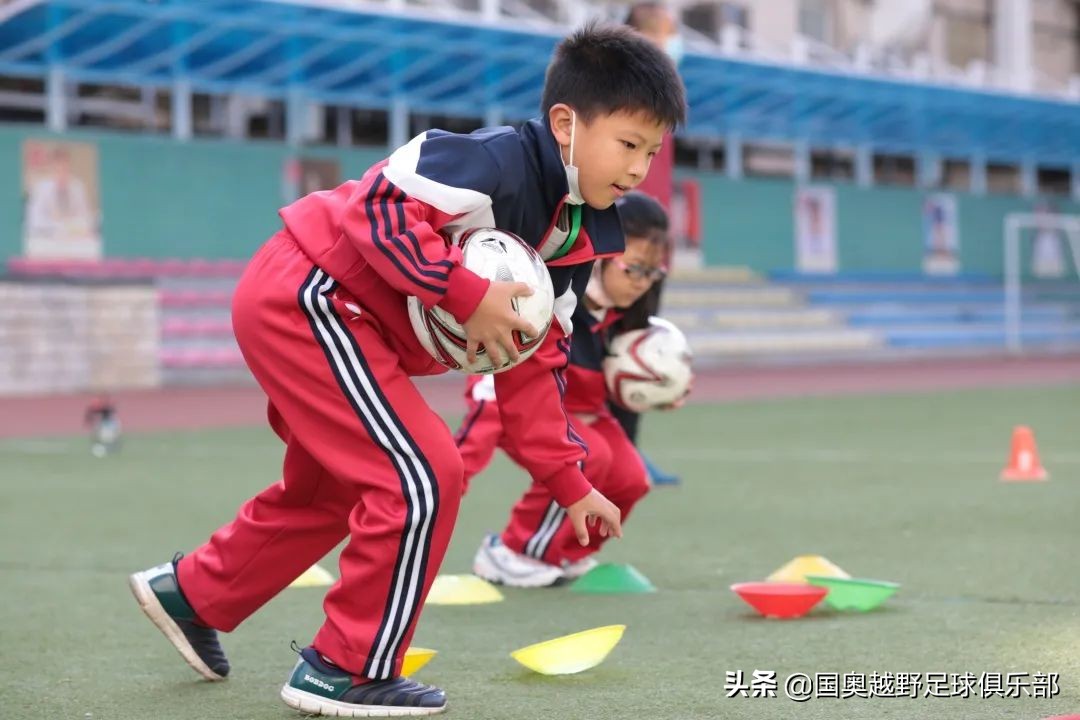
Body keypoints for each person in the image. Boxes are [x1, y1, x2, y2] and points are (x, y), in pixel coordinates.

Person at [128, 23, 685, 718]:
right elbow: (379, 208)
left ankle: (194, 594)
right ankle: (344, 668)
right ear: (566, 125)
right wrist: (467, 293)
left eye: (652, 151)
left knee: (335, 491)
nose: (639, 168)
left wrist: (571, 483)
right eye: (628, 144)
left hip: (336, 315)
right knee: (423, 473)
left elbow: (535, 361)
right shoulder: (489, 159)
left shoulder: (577, 236)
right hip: (311, 293)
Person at [456, 191, 675, 587]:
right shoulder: (560, 300)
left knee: (631, 477)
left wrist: (652, 392)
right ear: (605, 254)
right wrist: (458, 470)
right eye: (633, 269)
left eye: (652, 273)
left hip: (584, 416)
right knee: (590, 456)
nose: (642, 283)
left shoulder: (627, 320)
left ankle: (567, 552)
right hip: (528, 410)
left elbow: (619, 406)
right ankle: (512, 552)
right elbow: (502, 379)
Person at [619, 1, 685, 486]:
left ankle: (628, 450)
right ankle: (609, 449)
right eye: (667, 29)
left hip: (653, 240)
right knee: (613, 344)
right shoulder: (625, 93)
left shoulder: (664, 97)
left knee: (635, 342)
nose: (675, 38)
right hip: (625, 239)